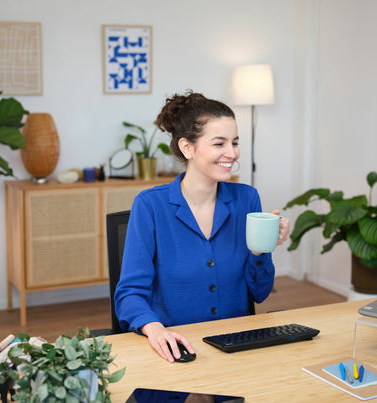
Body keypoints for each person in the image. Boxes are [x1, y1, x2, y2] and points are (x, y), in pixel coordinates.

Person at [114, 91, 290, 363]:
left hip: (237, 349)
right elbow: (130, 293)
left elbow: (260, 293)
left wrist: (261, 248)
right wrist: (154, 329)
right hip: (177, 350)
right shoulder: (150, 205)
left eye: (235, 142)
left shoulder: (247, 199)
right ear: (187, 148)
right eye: (219, 143)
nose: (232, 153)